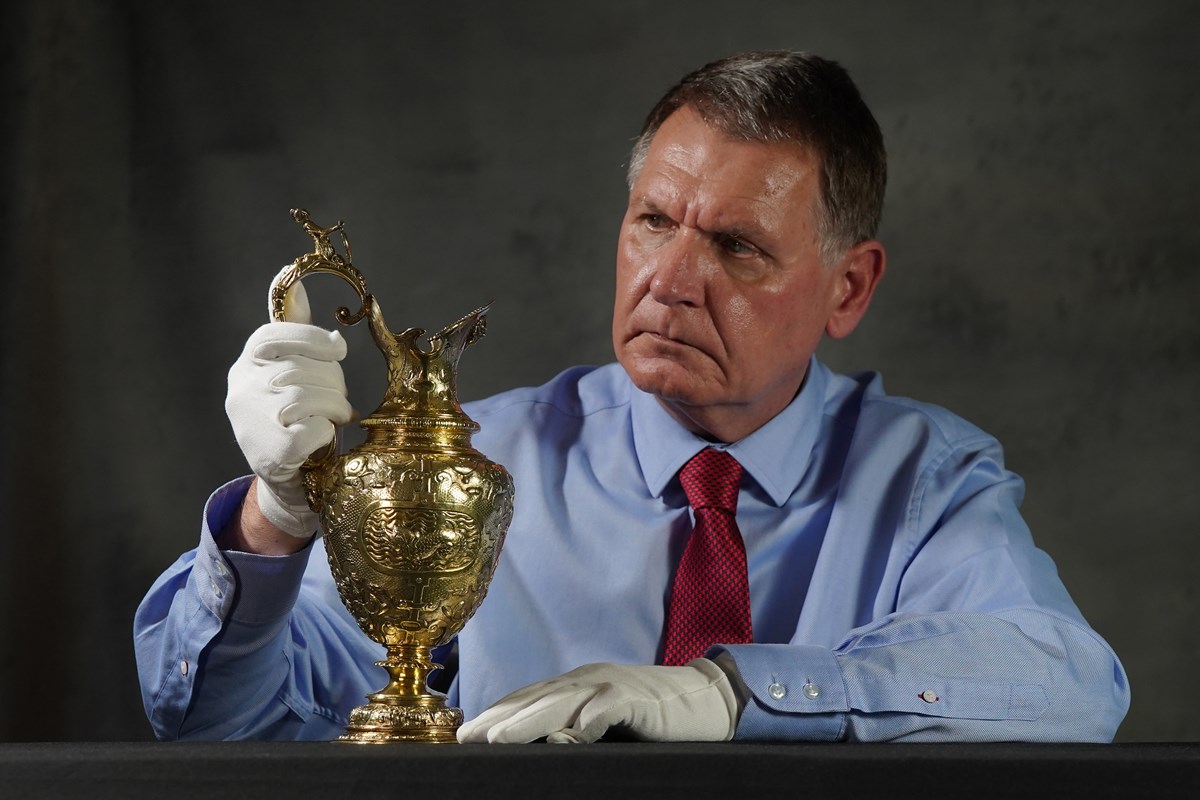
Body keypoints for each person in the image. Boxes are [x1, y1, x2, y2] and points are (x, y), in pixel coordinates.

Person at [134, 50, 1130, 743]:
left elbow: (1069, 682)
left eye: (737, 245)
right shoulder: (479, 467)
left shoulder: (925, 485)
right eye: (655, 220)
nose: (671, 277)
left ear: (850, 287)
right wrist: (275, 517)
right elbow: (224, 723)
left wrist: (729, 691)